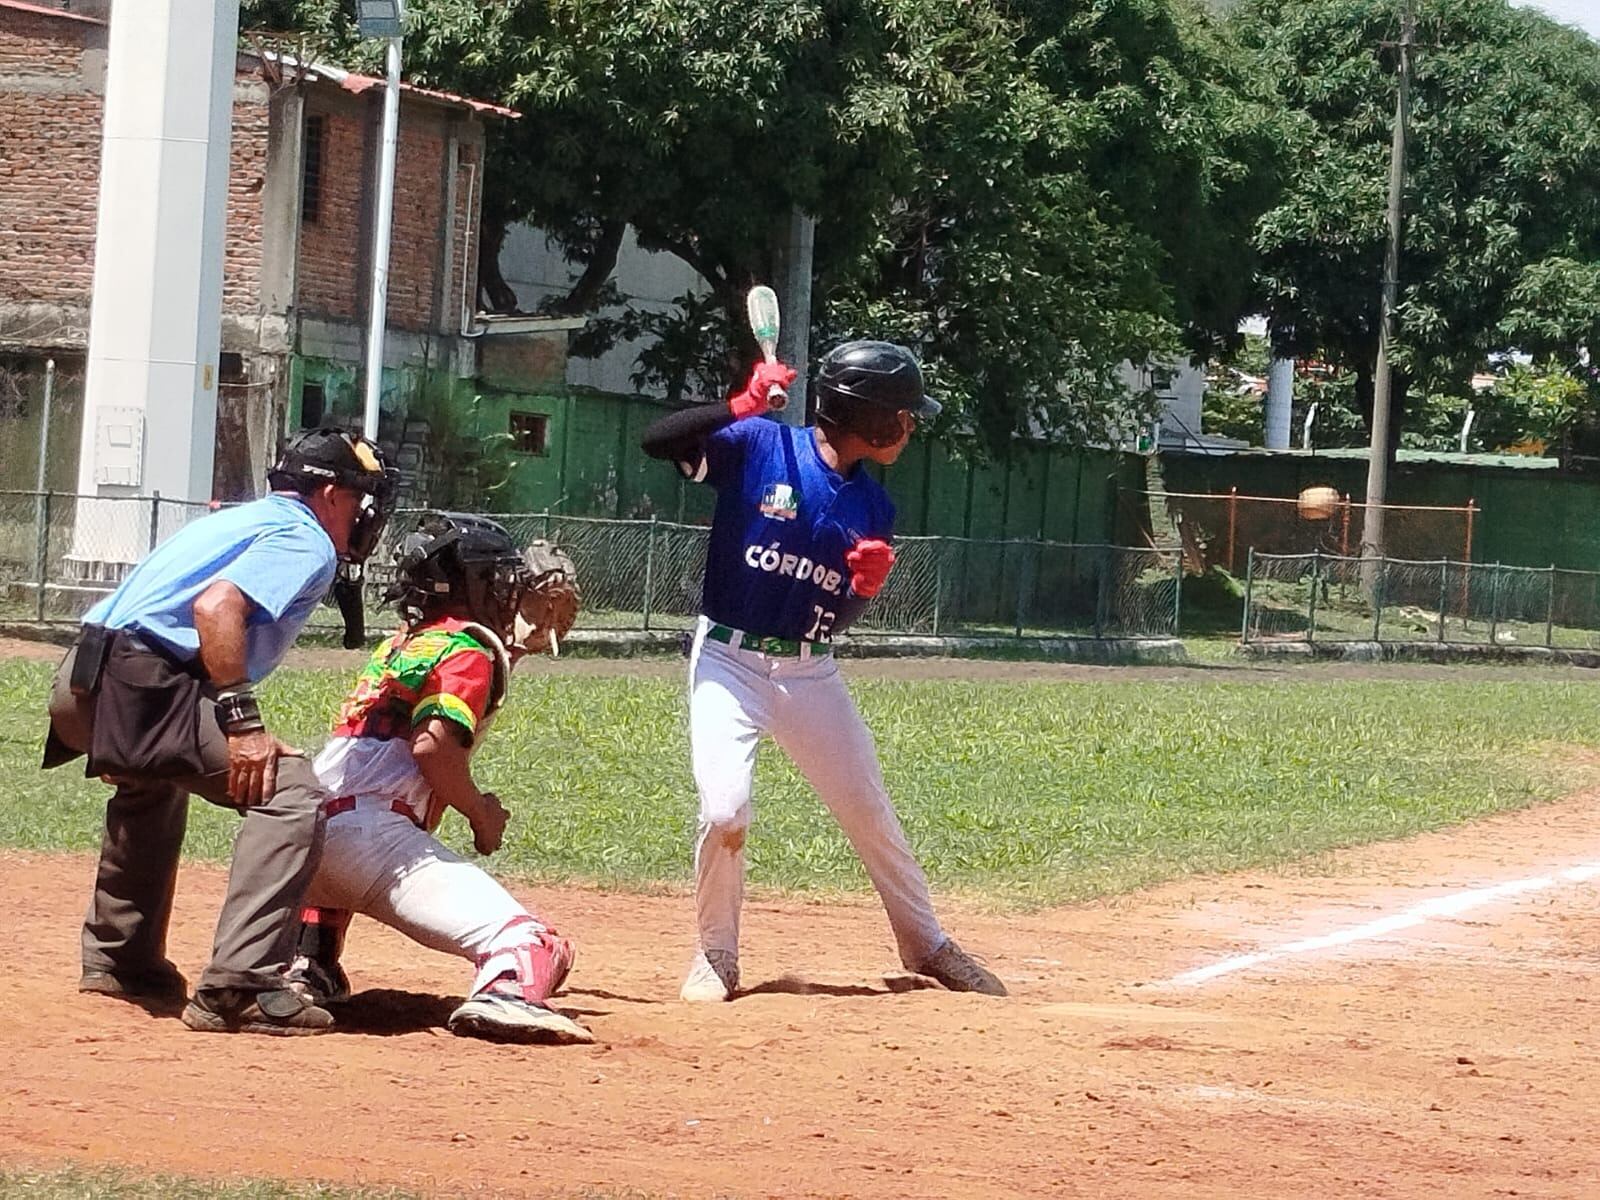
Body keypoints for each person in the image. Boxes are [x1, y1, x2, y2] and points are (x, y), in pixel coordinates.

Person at [639, 339, 1007, 1001]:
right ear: (868, 415)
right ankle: (716, 955)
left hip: (810, 673)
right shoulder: (758, 446)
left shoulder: (875, 507)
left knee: (869, 811)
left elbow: (829, 618)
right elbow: (656, 440)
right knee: (726, 810)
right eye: (903, 412)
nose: (911, 425)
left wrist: (862, 590)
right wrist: (739, 404)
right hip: (728, 658)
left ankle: (925, 944)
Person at [43, 426, 397, 1035]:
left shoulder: (239, 520)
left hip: (80, 684)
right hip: (143, 685)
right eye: (363, 498)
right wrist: (241, 720)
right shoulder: (303, 536)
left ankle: (121, 961)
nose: (366, 515)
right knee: (291, 794)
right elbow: (216, 608)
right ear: (333, 494)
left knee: (151, 782)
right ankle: (243, 984)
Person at [286, 513, 591, 1044]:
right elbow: (434, 746)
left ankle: (309, 962)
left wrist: (515, 645)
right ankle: (507, 994)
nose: (508, 588)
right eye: (497, 578)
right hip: (376, 845)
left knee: (344, 854)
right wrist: (482, 814)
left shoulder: (402, 643)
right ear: (475, 584)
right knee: (536, 946)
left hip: (302, 841)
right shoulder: (472, 648)